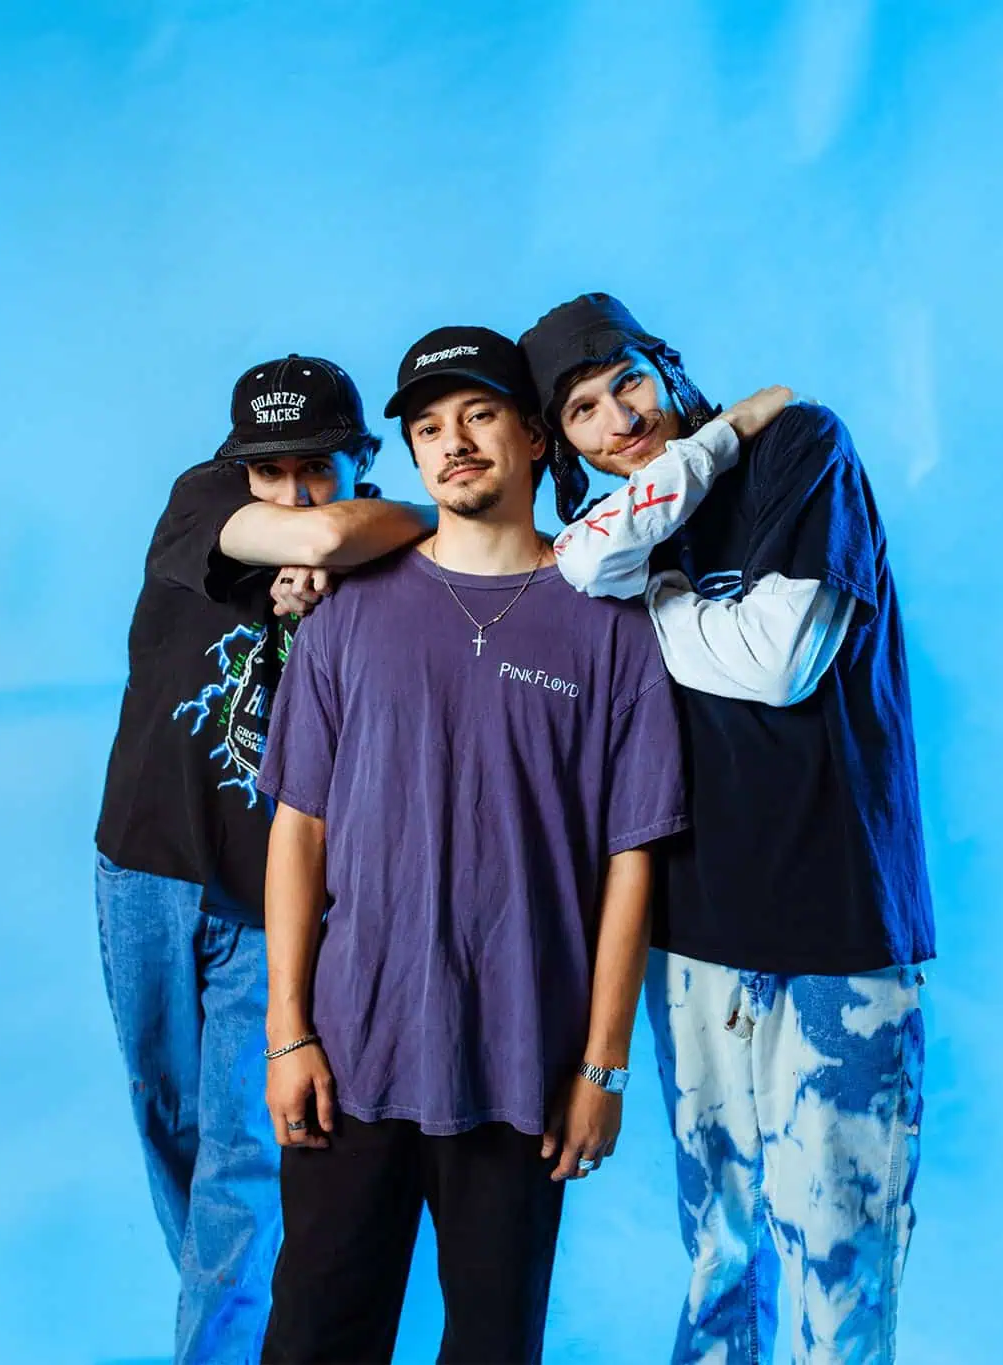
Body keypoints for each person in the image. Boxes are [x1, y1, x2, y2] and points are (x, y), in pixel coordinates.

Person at [254, 325, 689, 1364]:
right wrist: (286, 1031)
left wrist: (603, 1067)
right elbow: (298, 829)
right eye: (427, 428)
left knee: (495, 1346)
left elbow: (631, 858)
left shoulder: (611, 627)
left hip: (521, 1068)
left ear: (535, 437)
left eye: (479, 415)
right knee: (312, 1340)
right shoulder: (346, 617)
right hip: (349, 1057)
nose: (452, 442)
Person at [523, 293, 938, 1363]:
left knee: (838, 1268)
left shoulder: (799, 447)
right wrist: (702, 452)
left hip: (836, 931)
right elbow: (580, 563)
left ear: (664, 366)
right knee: (721, 1259)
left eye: (627, 382)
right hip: (694, 938)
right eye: (581, 411)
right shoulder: (638, 518)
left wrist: (661, 603)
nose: (619, 418)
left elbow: (778, 661)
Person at [89, 354, 432, 1365]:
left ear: (361, 460)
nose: (290, 493)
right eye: (269, 470)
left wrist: (376, 545)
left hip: (268, 906)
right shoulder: (199, 504)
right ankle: (224, 1321)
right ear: (234, 467)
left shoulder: (387, 568)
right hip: (144, 871)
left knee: (242, 1163)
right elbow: (311, 537)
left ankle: (219, 1340)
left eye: (317, 468)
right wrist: (385, 525)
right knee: (169, 1128)